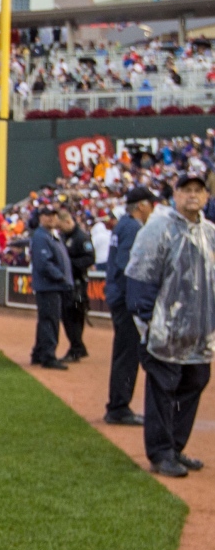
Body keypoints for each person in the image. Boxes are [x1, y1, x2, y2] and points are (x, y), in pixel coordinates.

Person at [126, 174, 215, 477]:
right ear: (175, 194)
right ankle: (160, 452)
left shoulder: (210, 233)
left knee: (194, 384)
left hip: (199, 335)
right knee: (162, 390)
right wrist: (147, 323)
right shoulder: (158, 230)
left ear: (206, 197)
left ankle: (175, 447)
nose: (193, 195)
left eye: (198, 191)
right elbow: (140, 279)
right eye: (186, 190)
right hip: (165, 332)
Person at [103, 186, 158, 426]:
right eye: (151, 204)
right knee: (128, 354)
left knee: (124, 353)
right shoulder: (133, 227)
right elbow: (129, 268)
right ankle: (118, 407)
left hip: (118, 296)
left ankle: (118, 404)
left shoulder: (123, 224)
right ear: (142, 205)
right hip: (126, 300)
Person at [30, 207, 74, 370]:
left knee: (47, 321)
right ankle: (48, 356)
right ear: (41, 218)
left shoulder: (51, 235)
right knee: (50, 321)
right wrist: (61, 277)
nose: (51, 218)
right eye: (47, 215)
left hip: (53, 286)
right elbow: (44, 264)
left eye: (54, 215)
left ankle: (39, 353)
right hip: (49, 286)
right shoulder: (42, 236)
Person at [58, 209, 94, 362]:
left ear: (67, 221)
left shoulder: (81, 237)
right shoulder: (64, 237)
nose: (60, 229)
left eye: (61, 226)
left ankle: (77, 348)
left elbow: (90, 258)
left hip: (78, 283)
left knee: (75, 316)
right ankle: (77, 347)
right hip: (67, 284)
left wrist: (69, 265)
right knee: (67, 317)